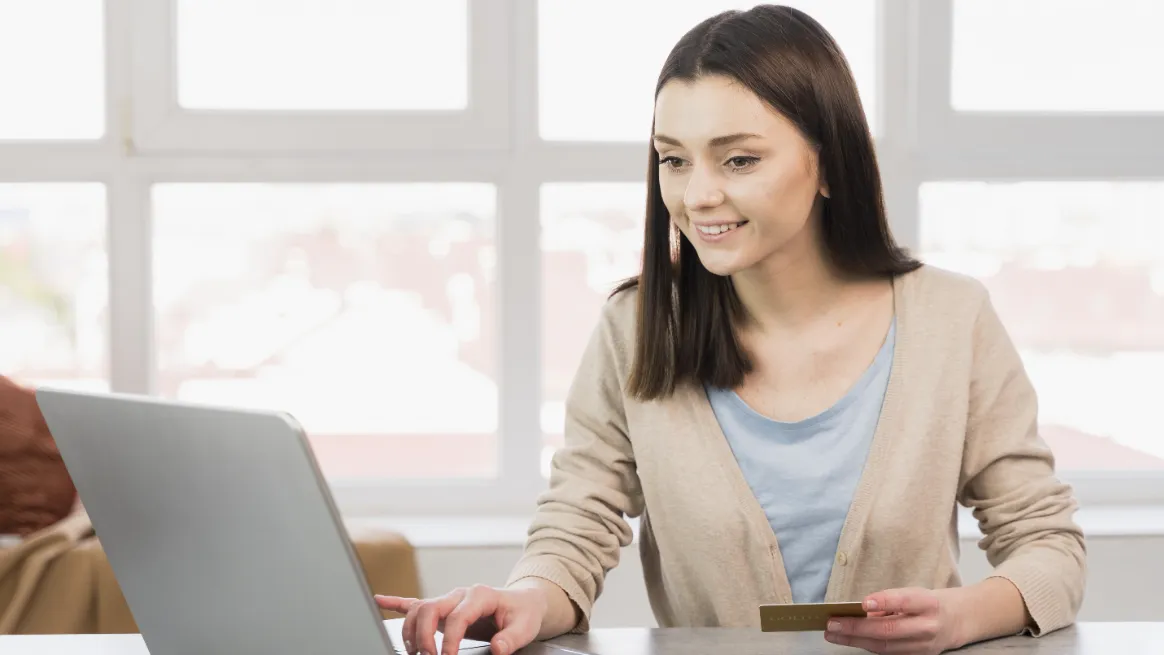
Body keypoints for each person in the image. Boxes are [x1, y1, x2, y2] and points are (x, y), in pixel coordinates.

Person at [375, 5, 1086, 655]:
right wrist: (525, 595)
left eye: (739, 158)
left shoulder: (951, 320)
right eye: (673, 159)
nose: (697, 194)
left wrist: (965, 614)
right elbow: (577, 525)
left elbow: (1047, 545)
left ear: (830, 163)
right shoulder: (635, 326)